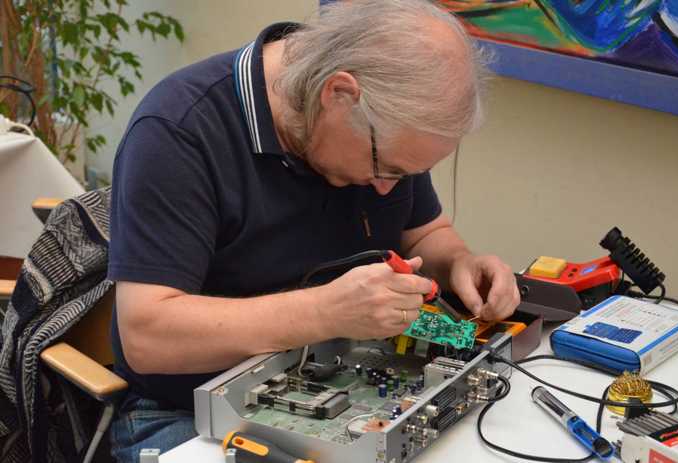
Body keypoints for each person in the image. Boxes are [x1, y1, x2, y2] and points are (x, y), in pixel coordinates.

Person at [107, 0, 520, 460]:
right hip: (189, 415)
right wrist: (324, 312)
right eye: (388, 169)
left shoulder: (386, 129)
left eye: (406, 175)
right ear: (338, 93)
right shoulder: (179, 129)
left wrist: (460, 262)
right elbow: (147, 336)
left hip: (352, 379)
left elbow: (424, 233)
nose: (387, 189)